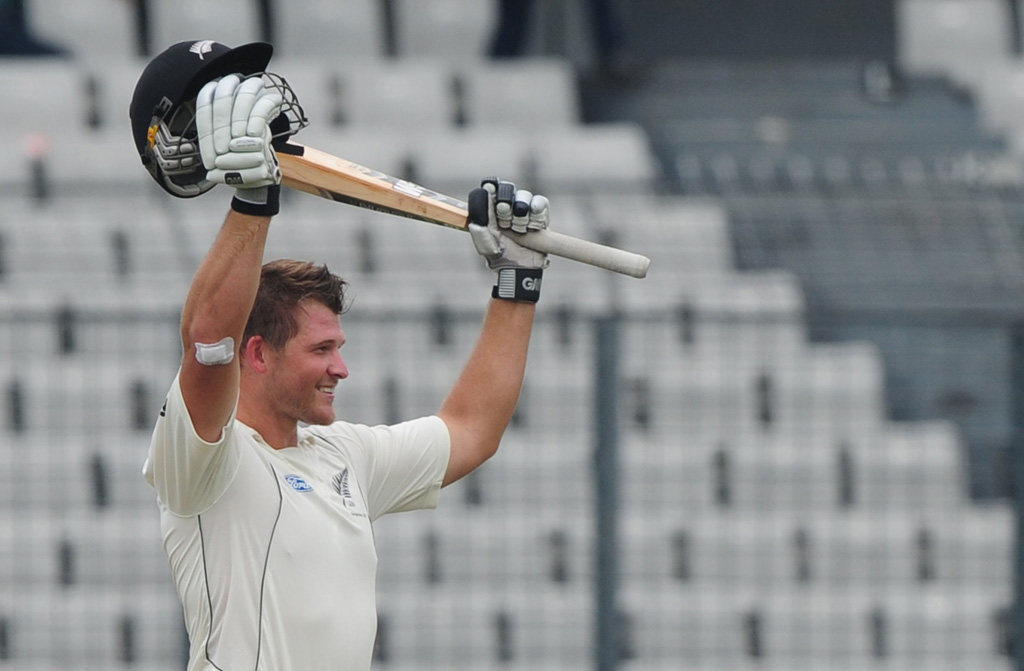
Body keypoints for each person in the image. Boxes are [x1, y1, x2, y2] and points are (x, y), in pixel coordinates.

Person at [130, 40, 550, 670]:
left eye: (339, 347)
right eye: (321, 349)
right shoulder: (204, 463)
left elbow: (472, 430)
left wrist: (516, 285)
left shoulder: (343, 455)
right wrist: (252, 201)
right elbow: (208, 346)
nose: (341, 369)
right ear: (259, 354)